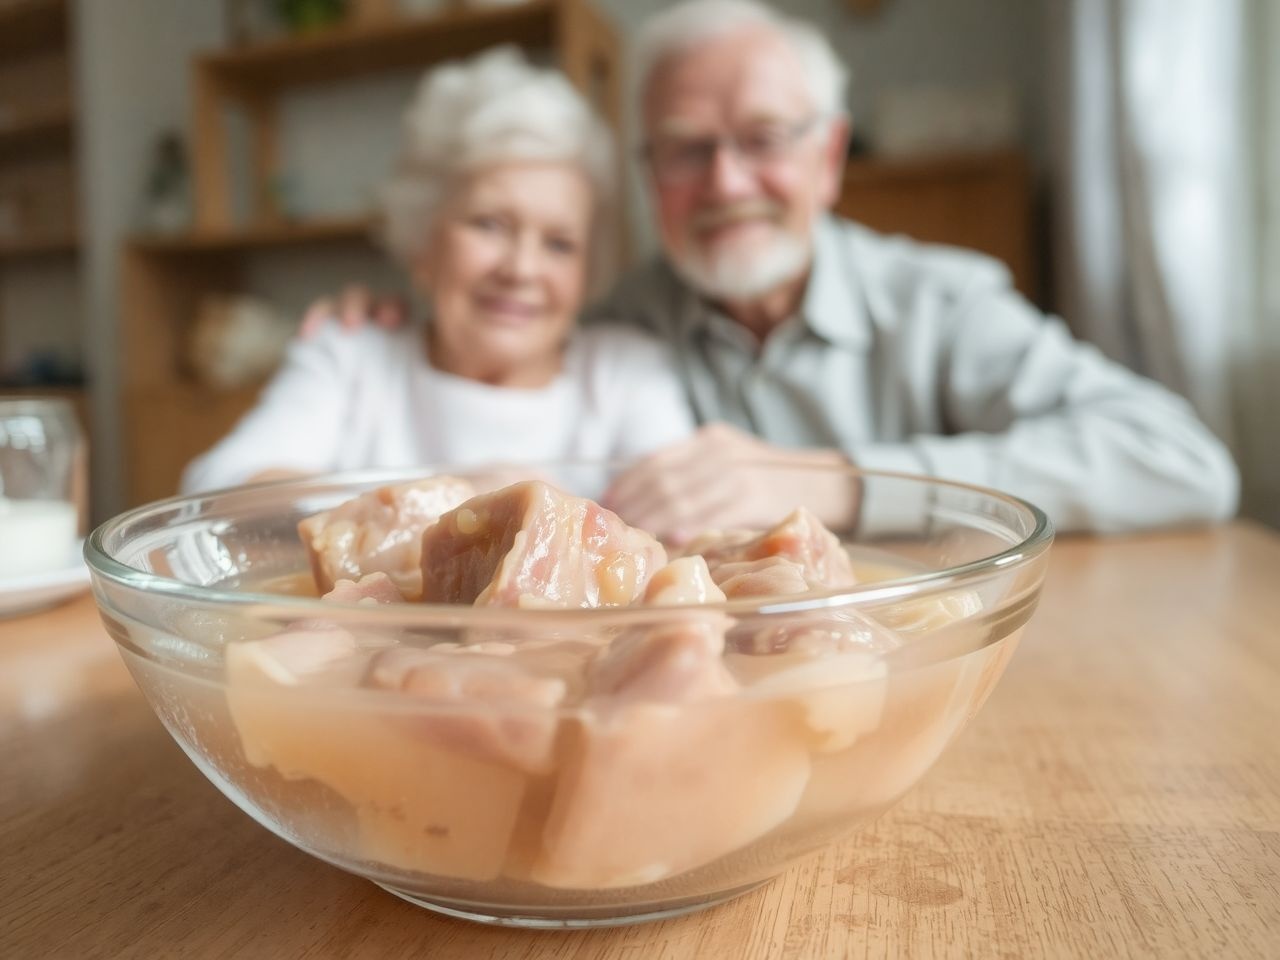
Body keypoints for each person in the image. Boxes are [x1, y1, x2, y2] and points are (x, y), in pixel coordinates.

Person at [306, 0, 1240, 540]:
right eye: (685, 149)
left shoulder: (939, 300)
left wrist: (841, 481)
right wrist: (402, 315)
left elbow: (1181, 461)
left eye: (762, 139)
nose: (725, 182)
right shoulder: (619, 326)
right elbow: (499, 339)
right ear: (646, 178)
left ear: (829, 157)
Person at [181, 48, 694, 495]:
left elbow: (682, 530)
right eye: (489, 224)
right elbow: (217, 489)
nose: (521, 269)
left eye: (560, 243)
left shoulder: (626, 372)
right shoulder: (351, 355)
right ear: (424, 237)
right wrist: (446, 506)